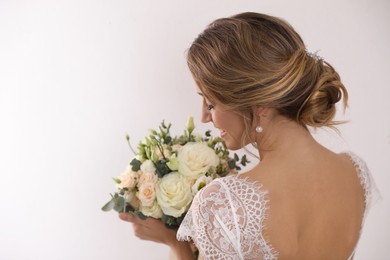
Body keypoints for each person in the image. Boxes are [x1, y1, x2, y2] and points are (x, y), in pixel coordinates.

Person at [119, 12, 376, 259]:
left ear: (258, 104)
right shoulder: (355, 173)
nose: (204, 118)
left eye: (211, 104)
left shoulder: (224, 202)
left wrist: (175, 244)